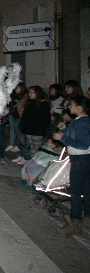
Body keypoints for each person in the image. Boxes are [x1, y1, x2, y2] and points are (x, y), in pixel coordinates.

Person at [53, 96, 90, 235]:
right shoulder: (78, 121)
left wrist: (62, 138)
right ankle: (87, 218)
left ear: (79, 108)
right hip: (84, 159)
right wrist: (65, 129)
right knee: (86, 191)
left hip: (81, 160)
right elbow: (74, 133)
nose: (69, 107)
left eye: (72, 105)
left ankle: (75, 222)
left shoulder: (83, 123)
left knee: (75, 192)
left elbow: (82, 143)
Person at [15, 86, 50, 164]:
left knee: (37, 148)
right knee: (31, 148)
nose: (30, 94)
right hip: (29, 130)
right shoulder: (30, 103)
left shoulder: (43, 104)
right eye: (29, 92)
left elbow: (45, 119)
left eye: (32, 92)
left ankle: (37, 164)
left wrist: (41, 128)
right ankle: (32, 163)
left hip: (37, 130)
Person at [6, 83, 28, 153]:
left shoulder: (25, 96)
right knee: (13, 129)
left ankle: (20, 146)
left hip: (19, 115)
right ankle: (11, 144)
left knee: (20, 131)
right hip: (12, 113)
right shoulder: (14, 95)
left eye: (17, 87)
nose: (15, 89)